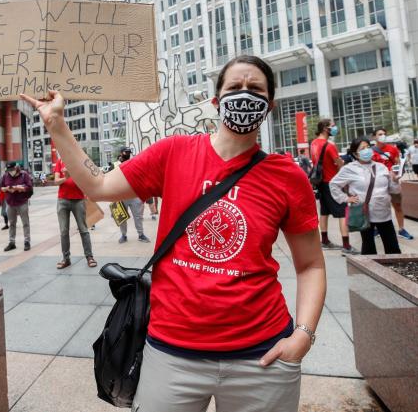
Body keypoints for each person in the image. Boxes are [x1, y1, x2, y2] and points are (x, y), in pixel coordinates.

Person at [21, 55, 326, 412]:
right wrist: (56, 123)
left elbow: (311, 266)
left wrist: (302, 337)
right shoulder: (174, 153)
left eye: (255, 89)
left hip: (262, 356)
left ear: (269, 105)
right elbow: (99, 185)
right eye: (235, 88)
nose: (245, 96)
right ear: (216, 102)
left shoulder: (286, 176)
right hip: (171, 352)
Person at [330, 137, 401, 255]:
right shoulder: (349, 169)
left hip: (384, 213)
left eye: (368, 147)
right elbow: (333, 185)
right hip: (364, 213)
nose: (367, 150)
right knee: (368, 248)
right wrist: (346, 198)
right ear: (355, 154)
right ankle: (371, 271)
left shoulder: (381, 167)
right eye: (362, 148)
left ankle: (394, 272)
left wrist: (395, 180)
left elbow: (394, 190)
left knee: (392, 247)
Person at [310, 119, 355, 254]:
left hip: (321, 182)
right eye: (333, 126)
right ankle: (346, 245)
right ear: (325, 128)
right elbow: (339, 164)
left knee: (324, 211)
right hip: (332, 182)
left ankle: (324, 240)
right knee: (342, 211)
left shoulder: (313, 143)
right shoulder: (329, 145)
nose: (335, 128)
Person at [54, 156, 97, 269]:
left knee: (83, 229)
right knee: (64, 231)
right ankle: (66, 258)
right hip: (62, 200)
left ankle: (89, 257)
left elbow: (86, 180)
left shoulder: (78, 161)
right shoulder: (60, 162)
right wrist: (66, 177)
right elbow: (56, 181)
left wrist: (73, 173)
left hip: (78, 200)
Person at [371, 128, 414, 240]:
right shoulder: (370, 151)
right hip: (377, 184)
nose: (383, 136)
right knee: (377, 207)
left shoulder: (392, 149)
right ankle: (376, 229)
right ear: (374, 137)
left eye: (384, 134)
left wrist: (397, 173)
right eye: (380, 134)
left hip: (392, 182)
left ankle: (401, 229)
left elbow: (397, 164)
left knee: (398, 205)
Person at [115, 146, 150, 244]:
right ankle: (123, 235)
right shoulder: (115, 165)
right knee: (122, 218)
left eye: (129, 152)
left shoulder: (134, 162)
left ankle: (141, 234)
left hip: (134, 194)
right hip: (121, 195)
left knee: (138, 216)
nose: (128, 154)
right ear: (121, 153)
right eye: (126, 152)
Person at [0, 162, 33, 251]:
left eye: (12, 170)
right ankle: (12, 242)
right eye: (9, 170)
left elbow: (29, 186)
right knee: (11, 223)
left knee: (25, 223)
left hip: (22, 202)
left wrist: (20, 188)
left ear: (16, 168)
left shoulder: (24, 175)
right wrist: (7, 189)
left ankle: (27, 241)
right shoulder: (5, 176)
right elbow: (1, 187)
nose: (10, 172)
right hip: (10, 202)